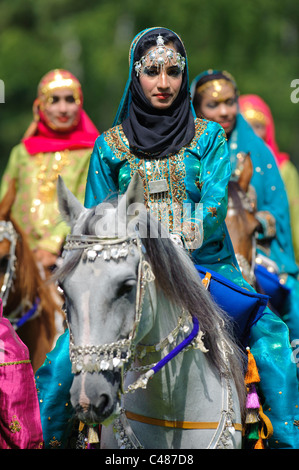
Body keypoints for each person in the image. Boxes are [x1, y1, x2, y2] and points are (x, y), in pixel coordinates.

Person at [36, 29, 299, 449]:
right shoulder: (109, 148)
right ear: (134, 76)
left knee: (272, 347)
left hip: (208, 273)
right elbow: (92, 223)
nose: (164, 83)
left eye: (174, 72)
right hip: (127, 281)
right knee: (60, 365)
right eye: (152, 71)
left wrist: (171, 241)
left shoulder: (208, 138)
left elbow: (214, 207)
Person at [191, 70, 299, 341]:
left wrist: (251, 220)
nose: (225, 111)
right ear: (195, 107)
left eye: (230, 102)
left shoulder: (259, 152)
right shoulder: (188, 153)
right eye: (213, 105)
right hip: (199, 252)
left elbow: (278, 210)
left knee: (288, 299)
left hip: (254, 249)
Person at [0, 69, 99, 273]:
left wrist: (52, 245)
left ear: (80, 104)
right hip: (17, 258)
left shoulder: (91, 152)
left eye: (70, 100)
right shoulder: (22, 152)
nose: (63, 109)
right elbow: (4, 205)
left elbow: (84, 204)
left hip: (69, 256)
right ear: (41, 105)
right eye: (54, 100)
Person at [239, 94, 299, 264]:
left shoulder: (283, 168)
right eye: (246, 127)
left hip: (274, 254)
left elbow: (294, 218)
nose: (253, 134)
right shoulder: (227, 163)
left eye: (258, 126)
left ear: (268, 128)